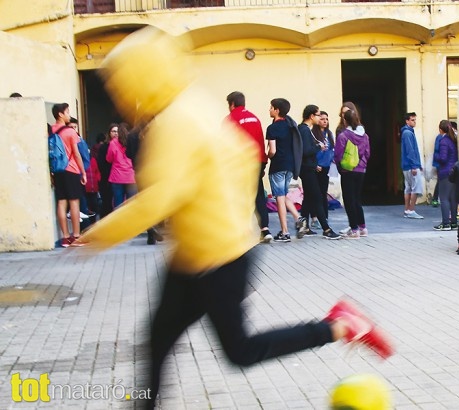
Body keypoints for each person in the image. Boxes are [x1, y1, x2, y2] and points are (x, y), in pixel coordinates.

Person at [72, 28, 393, 409]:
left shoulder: (178, 121)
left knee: (239, 350)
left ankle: (341, 325)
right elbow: (238, 159)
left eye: (121, 86)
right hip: (195, 256)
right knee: (158, 343)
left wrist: (96, 235)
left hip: (218, 257)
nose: (120, 96)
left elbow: (159, 198)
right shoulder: (194, 107)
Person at [225, 91, 273, 243]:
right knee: (258, 194)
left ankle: (242, 231)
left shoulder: (230, 119)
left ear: (232, 104)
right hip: (258, 161)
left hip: (240, 163)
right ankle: (265, 230)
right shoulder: (255, 118)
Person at [296, 104, 341, 240]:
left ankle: (303, 227)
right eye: (318, 115)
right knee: (317, 197)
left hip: (308, 168)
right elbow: (305, 151)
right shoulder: (304, 130)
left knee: (309, 198)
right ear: (311, 116)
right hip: (307, 169)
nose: (320, 118)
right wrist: (318, 147)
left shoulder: (305, 129)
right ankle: (326, 229)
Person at [266, 98, 303, 242]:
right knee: (283, 194)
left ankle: (285, 232)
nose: (269, 110)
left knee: (279, 198)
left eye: (271, 107)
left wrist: (266, 155)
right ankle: (298, 218)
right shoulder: (290, 125)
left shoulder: (272, 128)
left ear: (277, 110)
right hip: (290, 166)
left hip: (277, 166)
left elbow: (273, 151)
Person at [50, 103, 87, 247]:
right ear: (60, 114)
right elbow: (76, 154)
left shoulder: (50, 130)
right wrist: (82, 171)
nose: (69, 115)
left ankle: (65, 238)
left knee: (61, 201)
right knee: (74, 202)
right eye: (67, 112)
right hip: (71, 170)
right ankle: (76, 236)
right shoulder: (70, 132)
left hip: (57, 170)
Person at [335, 108, 371, 239]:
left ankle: (354, 229)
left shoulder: (343, 135)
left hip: (347, 170)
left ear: (345, 120)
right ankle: (363, 228)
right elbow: (367, 153)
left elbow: (338, 154)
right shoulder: (365, 135)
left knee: (349, 200)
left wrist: (340, 166)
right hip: (361, 170)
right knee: (357, 199)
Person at [310, 110, 335, 229]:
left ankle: (324, 217)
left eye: (326, 119)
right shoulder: (313, 134)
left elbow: (331, 149)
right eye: (322, 119)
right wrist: (315, 164)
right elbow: (310, 151)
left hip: (326, 167)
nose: (324, 121)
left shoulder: (329, 133)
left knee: (323, 193)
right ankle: (314, 217)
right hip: (316, 167)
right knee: (315, 193)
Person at [433, 120, 458, 231]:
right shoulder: (453, 140)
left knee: (444, 198)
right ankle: (454, 222)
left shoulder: (444, 141)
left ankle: (445, 223)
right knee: (453, 198)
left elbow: (443, 158)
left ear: (440, 129)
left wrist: (436, 155)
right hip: (454, 171)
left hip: (445, 172)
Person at [106, 122, 137, 208]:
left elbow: (109, 159)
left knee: (118, 203)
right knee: (131, 204)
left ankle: (119, 221)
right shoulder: (133, 140)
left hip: (117, 177)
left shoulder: (113, 143)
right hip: (131, 176)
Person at [400, 112, 424, 219]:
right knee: (415, 188)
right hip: (411, 166)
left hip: (407, 165)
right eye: (412, 120)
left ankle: (407, 210)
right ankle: (411, 209)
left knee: (408, 188)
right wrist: (415, 165)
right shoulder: (408, 133)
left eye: (415, 120)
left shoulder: (406, 132)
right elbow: (411, 151)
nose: (415, 122)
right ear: (407, 121)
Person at [97, 125, 116, 219]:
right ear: (109, 133)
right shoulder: (104, 147)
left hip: (118, 177)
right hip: (106, 177)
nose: (115, 133)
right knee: (107, 202)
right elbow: (101, 163)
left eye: (117, 131)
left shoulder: (124, 145)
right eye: (113, 131)